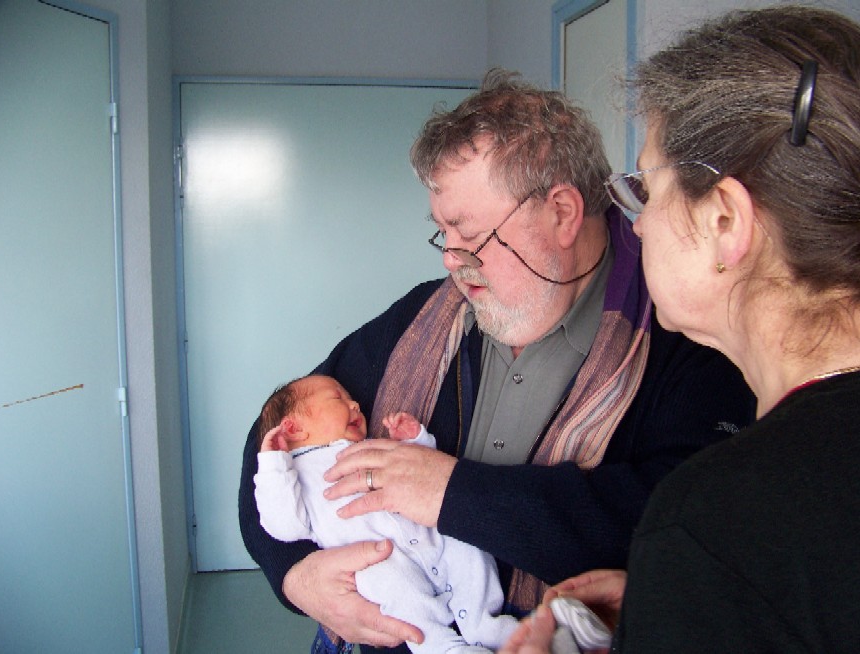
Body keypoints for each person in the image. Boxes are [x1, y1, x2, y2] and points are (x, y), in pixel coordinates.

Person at [238, 69, 756, 654]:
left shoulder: (685, 345)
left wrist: (454, 494)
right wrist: (296, 575)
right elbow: (281, 432)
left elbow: (681, 530)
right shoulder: (422, 318)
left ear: (563, 213)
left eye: (469, 234)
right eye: (442, 233)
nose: (451, 261)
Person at [499, 5, 860, 653]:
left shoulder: (717, 519)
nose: (636, 223)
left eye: (647, 189)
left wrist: (695, 580)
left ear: (725, 221)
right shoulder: (723, 550)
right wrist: (674, 607)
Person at [253, 374, 518, 653]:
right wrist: (273, 465)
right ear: (293, 428)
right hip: (379, 559)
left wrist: (415, 440)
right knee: (388, 587)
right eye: (338, 398)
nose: (355, 404)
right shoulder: (292, 475)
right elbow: (284, 526)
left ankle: (484, 623)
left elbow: (423, 473)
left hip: (429, 532)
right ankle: (441, 646)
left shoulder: (368, 445)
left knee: (467, 542)